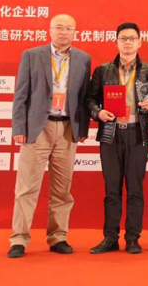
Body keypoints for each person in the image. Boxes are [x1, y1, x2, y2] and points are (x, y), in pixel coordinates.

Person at [8, 14, 91, 259]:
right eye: (59, 28)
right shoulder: (32, 55)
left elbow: (84, 97)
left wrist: (82, 128)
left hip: (67, 129)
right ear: (50, 30)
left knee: (62, 190)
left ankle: (58, 237)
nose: (64, 32)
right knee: (26, 188)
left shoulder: (83, 59)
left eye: (69, 28)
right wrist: (19, 127)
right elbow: (21, 94)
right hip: (37, 128)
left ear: (75, 32)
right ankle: (19, 239)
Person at [86, 22, 148, 254]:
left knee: (135, 189)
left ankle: (133, 238)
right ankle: (110, 238)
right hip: (111, 134)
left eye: (132, 38)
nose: (128, 42)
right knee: (112, 189)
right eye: (123, 38)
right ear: (116, 42)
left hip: (137, 134)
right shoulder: (103, 71)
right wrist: (98, 112)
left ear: (140, 42)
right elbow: (90, 99)